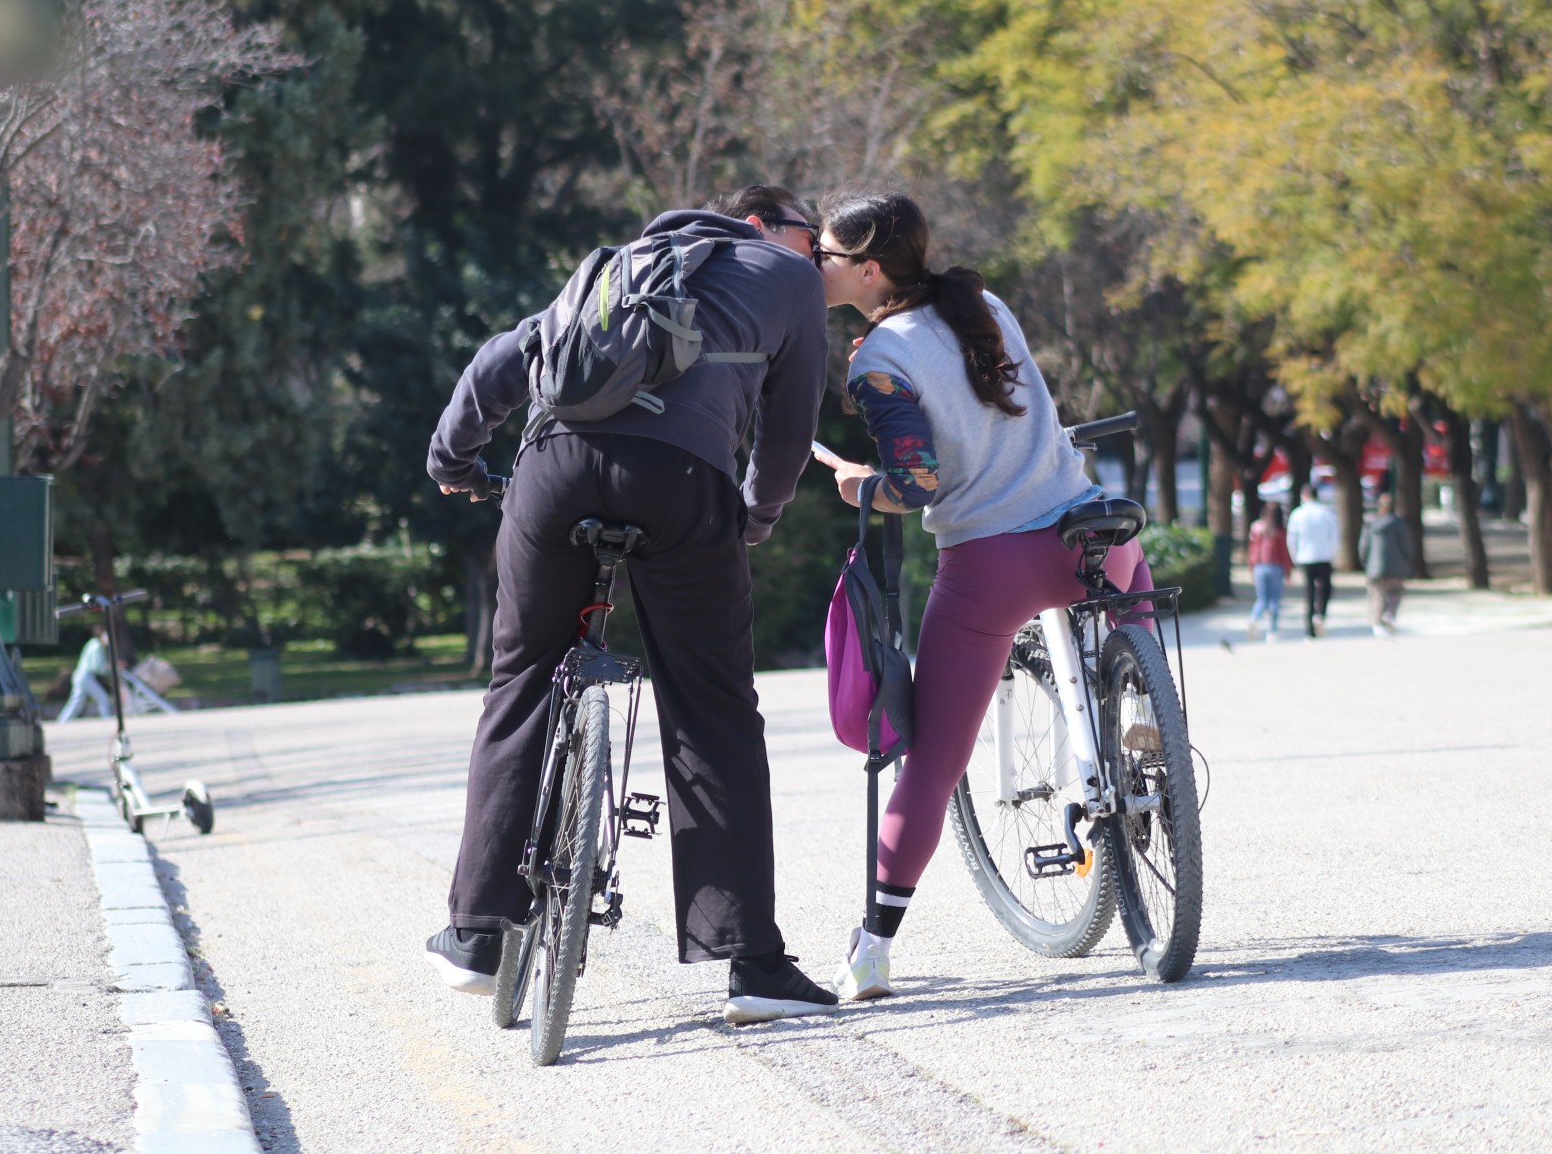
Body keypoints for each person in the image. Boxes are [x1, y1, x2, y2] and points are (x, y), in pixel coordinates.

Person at [423, 185, 841, 1025]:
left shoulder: (617, 266)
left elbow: (506, 358)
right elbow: (789, 431)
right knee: (713, 705)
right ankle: (751, 961)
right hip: (685, 483)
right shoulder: (787, 279)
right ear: (763, 225)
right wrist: (754, 515)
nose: (819, 256)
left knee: (520, 681)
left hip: (552, 469)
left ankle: (475, 932)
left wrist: (455, 461)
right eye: (811, 236)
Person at [807, 191, 1155, 1003]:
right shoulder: (984, 304)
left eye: (825, 255)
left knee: (931, 764)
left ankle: (874, 950)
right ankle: (1141, 706)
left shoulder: (876, 359)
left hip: (991, 566)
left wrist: (862, 483)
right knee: (1131, 595)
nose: (815, 265)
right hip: (1090, 533)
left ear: (865, 268)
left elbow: (918, 481)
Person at [1286, 490, 1339, 637]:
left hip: (1305, 557)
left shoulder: (1297, 514)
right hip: (1324, 556)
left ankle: (1309, 628)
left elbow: (1291, 538)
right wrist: (1332, 554)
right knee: (1326, 589)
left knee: (1309, 592)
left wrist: (1294, 558)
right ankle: (1320, 614)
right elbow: (1334, 537)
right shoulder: (1327, 513)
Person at [1362, 494, 1413, 637]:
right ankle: (1389, 614)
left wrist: (1366, 563)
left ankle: (1377, 622)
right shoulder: (1399, 523)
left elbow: (1364, 546)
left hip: (1374, 567)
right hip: (1396, 565)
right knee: (1396, 592)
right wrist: (1407, 560)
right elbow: (1405, 545)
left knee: (1377, 595)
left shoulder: (1371, 523)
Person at [1246, 500, 1291, 642]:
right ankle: (1272, 631)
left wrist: (1251, 568)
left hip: (1259, 567)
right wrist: (1288, 571)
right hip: (1275, 567)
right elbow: (1283, 552)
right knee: (1274, 600)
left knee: (1262, 598)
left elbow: (1252, 550)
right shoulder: (1279, 531)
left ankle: (1254, 619)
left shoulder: (1256, 528)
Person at [55, 628, 114, 723]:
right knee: (104, 699)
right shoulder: (97, 646)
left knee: (76, 703)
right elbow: (98, 667)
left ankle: (62, 721)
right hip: (86, 677)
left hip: (79, 676)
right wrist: (111, 668)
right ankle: (108, 721)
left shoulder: (92, 643)